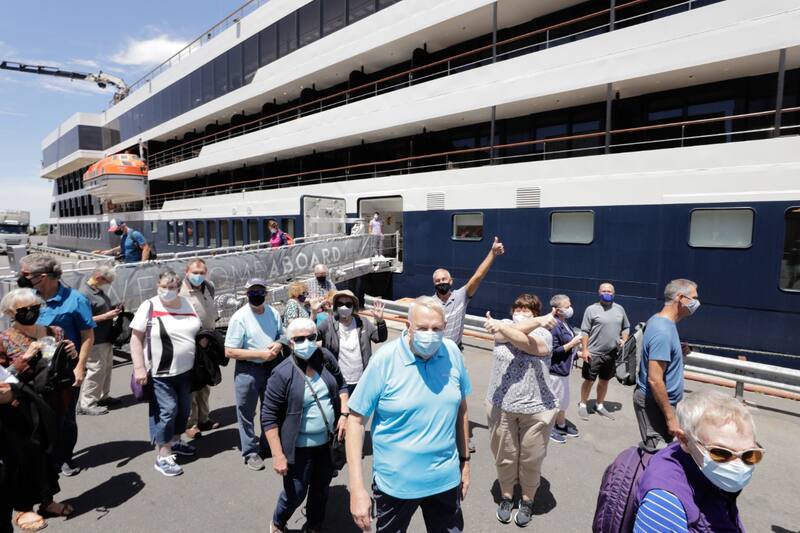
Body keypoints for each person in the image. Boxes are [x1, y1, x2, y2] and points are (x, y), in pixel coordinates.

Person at [347, 296, 472, 533]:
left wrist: (465, 462)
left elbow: (461, 409)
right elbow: (355, 420)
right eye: (422, 328)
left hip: (445, 481)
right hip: (396, 485)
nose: (430, 334)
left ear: (445, 327)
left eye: (436, 328)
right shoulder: (384, 360)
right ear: (408, 327)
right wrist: (356, 488)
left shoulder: (453, 353)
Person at [0, 288, 77, 530]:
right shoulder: (3, 339)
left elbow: (61, 365)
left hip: (54, 402)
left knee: (51, 453)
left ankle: (47, 501)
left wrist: (71, 355)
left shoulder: (54, 331)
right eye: (23, 310)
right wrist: (24, 358)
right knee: (24, 458)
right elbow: (3, 379)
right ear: (10, 313)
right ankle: (22, 509)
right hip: (21, 408)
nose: (31, 313)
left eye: (35, 307)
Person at [262, 318, 348, 533]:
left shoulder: (325, 357)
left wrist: (344, 413)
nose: (306, 342)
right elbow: (269, 416)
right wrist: (278, 455)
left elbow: (342, 385)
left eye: (310, 337)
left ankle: (314, 525)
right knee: (296, 492)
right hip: (299, 447)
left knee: (321, 489)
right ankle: (278, 523)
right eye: (299, 339)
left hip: (326, 443)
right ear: (290, 343)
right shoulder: (282, 373)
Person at [633, 389, 762, 532]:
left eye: (749, 454)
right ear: (684, 440)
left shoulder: (708, 473)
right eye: (721, 453)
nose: (738, 465)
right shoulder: (664, 504)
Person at [483, 294, 559, 528]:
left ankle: (527, 500)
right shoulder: (504, 326)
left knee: (531, 458)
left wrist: (529, 324)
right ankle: (507, 497)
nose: (523, 311)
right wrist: (539, 320)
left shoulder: (544, 332)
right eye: (519, 307)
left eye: (529, 310)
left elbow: (530, 345)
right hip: (501, 406)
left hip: (537, 409)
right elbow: (498, 334)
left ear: (535, 313)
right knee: (504, 456)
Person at [18, 253, 95, 477]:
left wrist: (80, 367)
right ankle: (45, 455)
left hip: (64, 370)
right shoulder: (28, 298)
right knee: (37, 415)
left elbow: (88, 335)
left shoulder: (75, 299)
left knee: (65, 417)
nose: (22, 279)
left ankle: (64, 457)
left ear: (43, 277)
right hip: (34, 367)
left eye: (27, 275)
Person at [433, 235, 504, 451]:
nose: (441, 283)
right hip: (433, 356)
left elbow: (478, 276)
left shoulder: (461, 296)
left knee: (458, 396)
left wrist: (492, 254)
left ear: (451, 281)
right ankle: (437, 433)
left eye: (444, 279)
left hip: (455, 354)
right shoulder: (429, 303)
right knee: (436, 397)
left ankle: (462, 437)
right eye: (437, 281)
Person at [130, 270, 202, 477]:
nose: (168, 291)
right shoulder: (150, 306)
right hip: (161, 372)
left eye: (172, 288)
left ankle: (176, 441)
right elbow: (135, 339)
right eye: (164, 287)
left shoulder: (186, 304)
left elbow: (195, 328)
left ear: (179, 289)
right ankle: (163, 455)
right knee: (168, 410)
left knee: (183, 409)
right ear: (157, 286)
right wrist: (139, 368)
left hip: (186, 371)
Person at [224, 278, 284, 471]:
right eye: (252, 291)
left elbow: (282, 334)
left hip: (271, 368)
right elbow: (230, 351)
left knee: (270, 409)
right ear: (247, 293)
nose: (256, 295)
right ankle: (250, 451)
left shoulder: (273, 312)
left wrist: (279, 344)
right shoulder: (239, 317)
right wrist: (260, 354)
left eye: (259, 291)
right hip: (248, 370)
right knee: (246, 412)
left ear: (266, 293)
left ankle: (267, 445)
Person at [634, 279, 700, 451]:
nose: (696, 303)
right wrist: (670, 417)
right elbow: (655, 380)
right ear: (681, 298)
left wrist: (678, 349)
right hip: (656, 404)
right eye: (693, 298)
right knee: (658, 455)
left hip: (663, 402)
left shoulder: (662, 321)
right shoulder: (662, 331)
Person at [318, 290, 387, 396]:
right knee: (341, 411)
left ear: (353, 306)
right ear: (336, 306)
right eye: (340, 304)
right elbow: (311, 335)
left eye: (348, 304)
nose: (344, 307)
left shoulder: (363, 322)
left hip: (361, 380)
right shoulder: (328, 323)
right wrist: (313, 313)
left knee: (358, 411)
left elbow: (380, 338)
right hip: (338, 380)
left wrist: (380, 321)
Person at [180, 258, 220, 439]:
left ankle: (204, 418)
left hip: (208, 343)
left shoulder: (208, 287)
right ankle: (190, 423)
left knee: (205, 383)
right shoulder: (179, 291)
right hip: (190, 343)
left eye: (201, 272)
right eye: (194, 272)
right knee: (192, 386)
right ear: (186, 272)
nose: (198, 276)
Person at [578, 282, 630, 421]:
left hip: (611, 354)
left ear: (614, 293)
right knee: (589, 381)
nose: (606, 293)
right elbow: (584, 331)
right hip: (593, 353)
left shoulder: (620, 309)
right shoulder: (591, 309)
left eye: (609, 291)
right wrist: (584, 350)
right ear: (599, 292)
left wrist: (624, 340)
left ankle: (599, 405)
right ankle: (583, 404)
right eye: (604, 291)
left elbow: (626, 327)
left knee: (605, 381)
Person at [77, 264, 121, 416]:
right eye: (108, 281)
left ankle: (102, 396)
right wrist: (106, 316)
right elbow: (83, 320)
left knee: (106, 367)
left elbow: (100, 307)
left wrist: (114, 308)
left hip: (105, 336)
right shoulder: (84, 293)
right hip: (95, 338)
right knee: (96, 369)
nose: (109, 284)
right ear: (99, 278)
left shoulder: (96, 289)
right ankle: (87, 402)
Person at [548, 294, 582, 444]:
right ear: (556, 310)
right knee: (555, 402)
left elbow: (568, 351)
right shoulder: (553, 326)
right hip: (555, 371)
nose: (570, 309)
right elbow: (553, 352)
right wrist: (573, 343)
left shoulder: (564, 322)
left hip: (564, 370)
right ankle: (549, 429)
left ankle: (561, 425)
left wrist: (578, 354)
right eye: (567, 307)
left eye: (570, 305)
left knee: (563, 401)